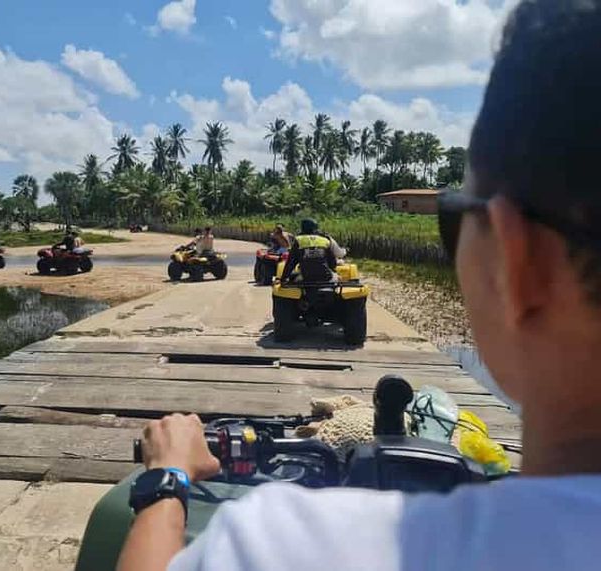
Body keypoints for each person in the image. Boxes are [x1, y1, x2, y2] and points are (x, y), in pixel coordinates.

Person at [117, 2, 601, 570]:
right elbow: (337, 261)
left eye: (454, 217)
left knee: (285, 300)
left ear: (518, 265)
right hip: (333, 295)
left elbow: (290, 267)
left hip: (302, 301)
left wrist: (166, 480)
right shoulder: (326, 246)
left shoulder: (282, 545)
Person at [278, 218, 345, 283]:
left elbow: (290, 263)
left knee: (294, 278)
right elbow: (332, 263)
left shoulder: (299, 240)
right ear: (316, 228)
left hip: (306, 278)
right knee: (338, 277)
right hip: (326, 278)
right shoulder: (325, 240)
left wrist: (283, 278)